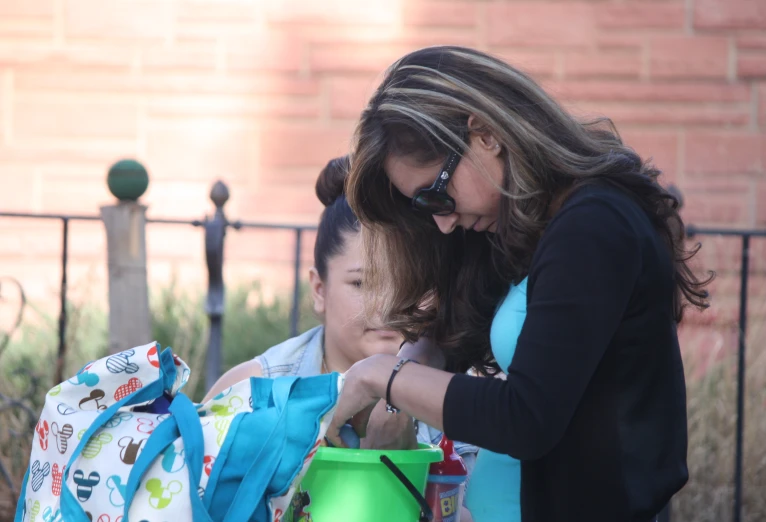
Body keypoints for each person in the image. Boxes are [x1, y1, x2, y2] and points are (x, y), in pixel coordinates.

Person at [325, 46, 712, 522]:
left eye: (436, 195)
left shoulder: (593, 227)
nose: (443, 224)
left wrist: (383, 375)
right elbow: (468, 324)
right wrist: (417, 357)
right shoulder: (537, 225)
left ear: (485, 134)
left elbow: (526, 419)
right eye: (425, 208)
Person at [203, 155, 478, 469]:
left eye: (410, 283)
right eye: (362, 283)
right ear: (320, 290)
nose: (388, 305)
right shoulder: (252, 391)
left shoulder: (463, 395)